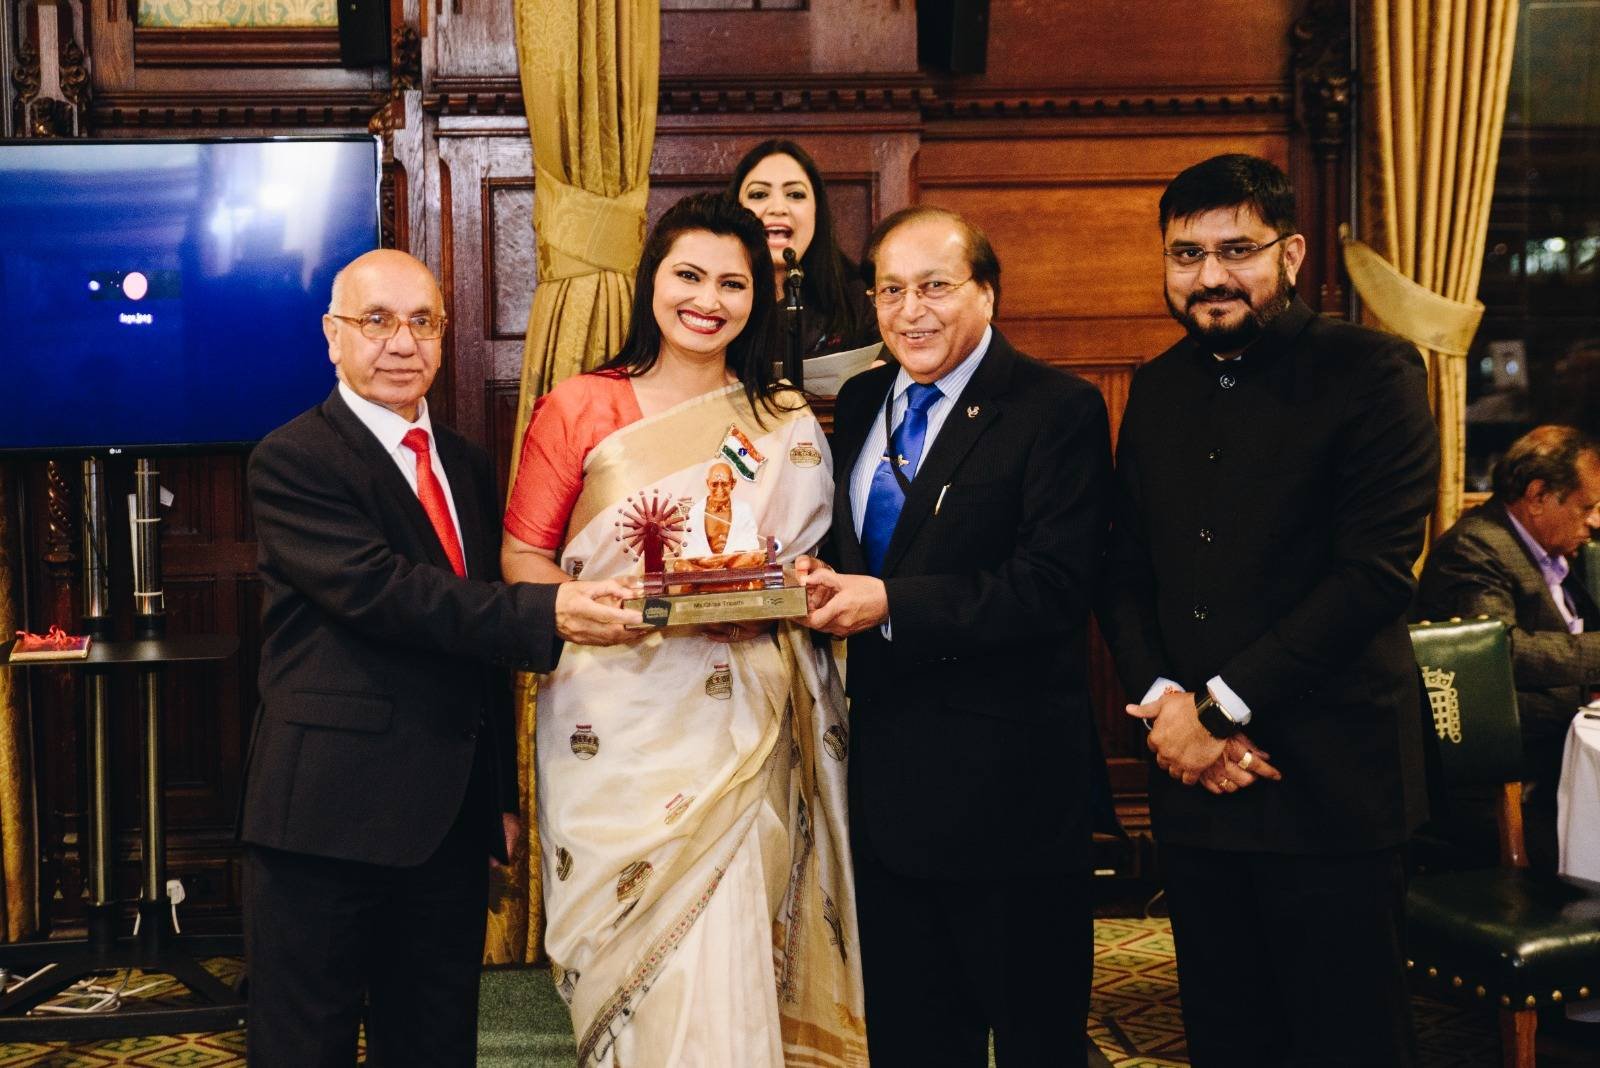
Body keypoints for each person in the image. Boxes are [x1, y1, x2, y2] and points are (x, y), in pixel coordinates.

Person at [241, 249, 640, 1066]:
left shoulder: (464, 462)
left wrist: (496, 799)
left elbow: (475, 648)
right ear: (332, 336)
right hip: (326, 818)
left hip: (447, 823)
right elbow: (386, 594)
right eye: (376, 321)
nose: (402, 342)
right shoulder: (292, 458)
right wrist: (549, 609)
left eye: (422, 322)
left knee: (436, 1042)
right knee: (303, 1046)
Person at [500, 193, 865, 1067]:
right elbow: (523, 556)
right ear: (651, 282)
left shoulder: (784, 419)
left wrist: (794, 589)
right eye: (688, 276)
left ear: (758, 297)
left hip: (747, 722)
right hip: (611, 717)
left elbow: (803, 561)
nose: (708, 300)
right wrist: (584, 608)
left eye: (732, 284)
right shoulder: (579, 407)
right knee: (627, 952)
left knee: (732, 937)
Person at [1097, 154, 1439, 1068]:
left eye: (1236, 249)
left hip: (1331, 784)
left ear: (1289, 254)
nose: (1209, 275)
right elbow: (1124, 572)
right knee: (1225, 1039)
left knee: (1350, 1044)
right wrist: (1169, 710)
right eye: (1187, 254)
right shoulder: (1156, 386)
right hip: (1196, 788)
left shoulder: (1375, 372)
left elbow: (1372, 577)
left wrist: (1216, 714)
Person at [800, 205, 1113, 1065]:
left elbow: (1052, 587)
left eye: (935, 286)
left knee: (1036, 1040)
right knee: (912, 1039)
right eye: (890, 290)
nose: (911, 311)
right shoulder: (862, 400)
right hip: (886, 787)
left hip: (1009, 795)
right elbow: (869, 549)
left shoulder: (1056, 408)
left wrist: (889, 604)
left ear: (987, 293)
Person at [1416, 424, 1600, 869]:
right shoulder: (1475, 548)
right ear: (1537, 496)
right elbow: (1501, 653)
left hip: (1555, 767)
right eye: (1587, 507)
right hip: (1510, 791)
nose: (1595, 521)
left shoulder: (1551, 552)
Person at [729, 139, 879, 362]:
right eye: (759, 195)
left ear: (817, 210)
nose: (778, 208)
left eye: (795, 195)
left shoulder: (858, 298)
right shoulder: (715, 298)